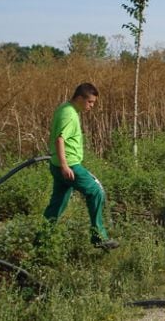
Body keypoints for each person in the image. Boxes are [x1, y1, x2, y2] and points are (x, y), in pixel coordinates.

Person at [43, 83, 118, 250]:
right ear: (79, 98)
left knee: (57, 204)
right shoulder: (70, 114)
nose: (91, 106)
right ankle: (99, 237)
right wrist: (65, 166)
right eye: (90, 102)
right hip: (69, 165)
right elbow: (60, 139)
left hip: (58, 165)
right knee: (96, 191)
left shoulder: (65, 108)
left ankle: (42, 240)